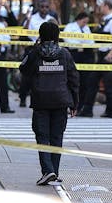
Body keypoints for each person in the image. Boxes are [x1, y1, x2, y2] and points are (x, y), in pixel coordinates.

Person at [19, 21, 79, 186]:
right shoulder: (65, 54)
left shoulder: (35, 53)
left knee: (42, 136)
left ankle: (48, 171)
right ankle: (54, 171)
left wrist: (34, 47)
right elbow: (74, 79)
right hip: (61, 100)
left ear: (40, 35)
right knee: (57, 137)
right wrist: (74, 103)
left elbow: (22, 69)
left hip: (41, 101)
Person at [20, 0, 58, 107]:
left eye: (46, 7)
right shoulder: (32, 18)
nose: (44, 9)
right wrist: (27, 20)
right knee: (27, 76)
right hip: (33, 48)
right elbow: (24, 33)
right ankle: (22, 97)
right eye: (42, 6)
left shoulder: (51, 18)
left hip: (47, 49)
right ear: (38, 7)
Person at [63, 10, 97, 117]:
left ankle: (80, 106)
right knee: (73, 81)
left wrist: (82, 45)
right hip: (74, 55)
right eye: (83, 22)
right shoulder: (70, 27)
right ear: (78, 19)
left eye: (86, 22)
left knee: (84, 83)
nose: (85, 24)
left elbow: (91, 41)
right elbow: (67, 39)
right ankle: (70, 105)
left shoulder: (86, 29)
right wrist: (79, 45)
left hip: (85, 56)